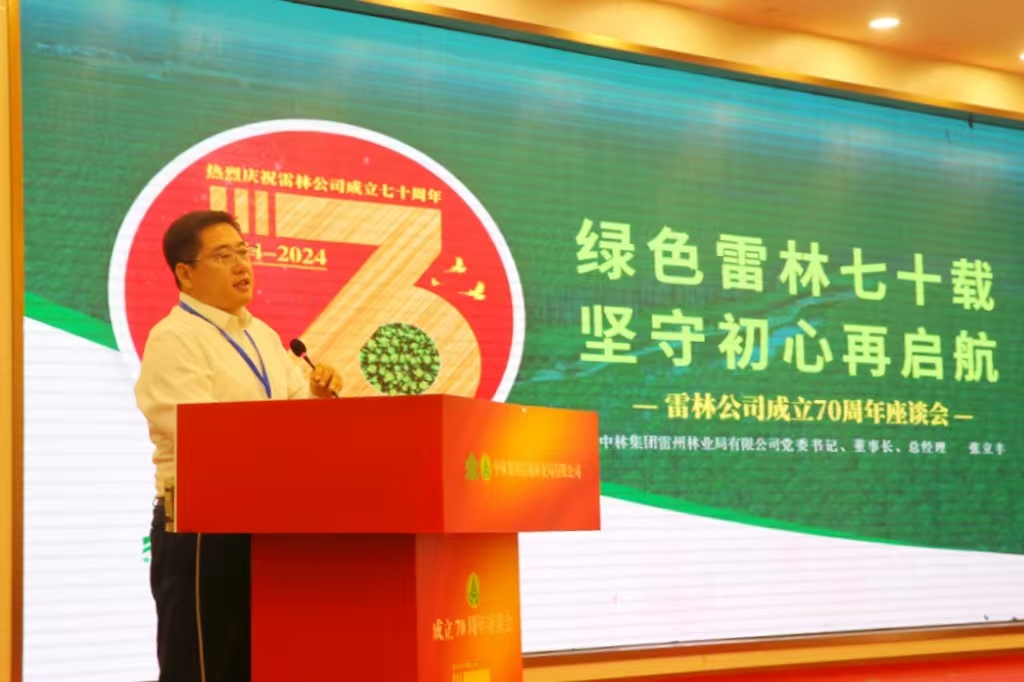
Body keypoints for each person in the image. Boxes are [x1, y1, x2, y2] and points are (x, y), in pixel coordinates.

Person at [135, 210, 341, 682]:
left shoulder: (262, 335)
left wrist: (316, 398)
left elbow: (294, 418)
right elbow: (196, 430)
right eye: (223, 256)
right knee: (201, 666)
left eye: (243, 252)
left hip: (267, 520)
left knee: (257, 664)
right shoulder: (174, 338)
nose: (241, 265)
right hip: (202, 524)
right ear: (185, 273)